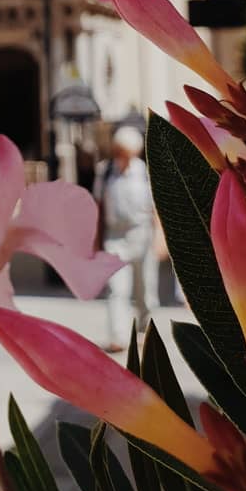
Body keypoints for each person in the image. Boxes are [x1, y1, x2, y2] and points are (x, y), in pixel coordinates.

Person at [95, 125, 158, 353]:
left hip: (142, 234)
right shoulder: (105, 171)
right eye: (120, 151)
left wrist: (159, 238)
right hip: (115, 237)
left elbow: (156, 209)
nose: (123, 156)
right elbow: (98, 206)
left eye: (128, 152)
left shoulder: (145, 172)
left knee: (145, 290)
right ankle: (118, 337)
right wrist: (95, 241)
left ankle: (144, 330)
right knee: (116, 289)